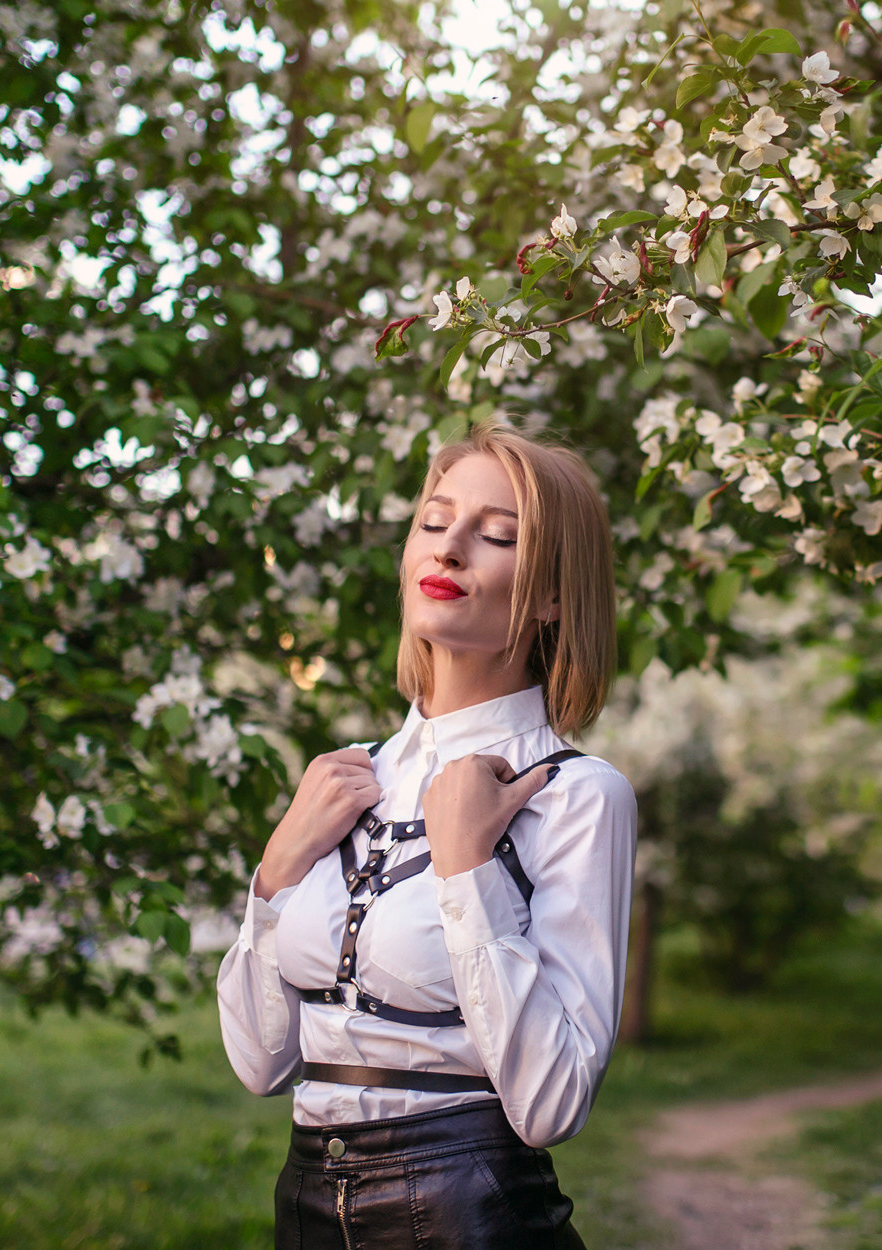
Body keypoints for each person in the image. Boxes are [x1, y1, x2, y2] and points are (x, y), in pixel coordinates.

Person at [217, 418, 635, 1250]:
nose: (448, 552)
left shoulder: (577, 795)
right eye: (434, 524)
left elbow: (552, 1105)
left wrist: (467, 867)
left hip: (468, 1208)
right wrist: (276, 871)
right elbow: (260, 1065)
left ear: (552, 596)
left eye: (498, 536)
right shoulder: (343, 779)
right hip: (304, 1201)